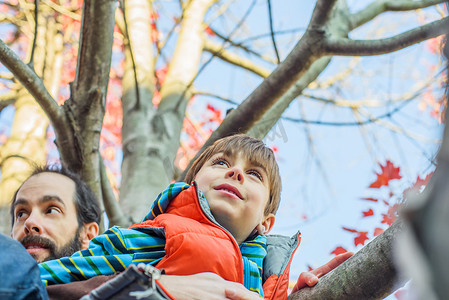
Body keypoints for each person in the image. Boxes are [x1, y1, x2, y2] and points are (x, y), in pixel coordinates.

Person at [38, 135, 351, 299]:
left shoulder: (266, 280)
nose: (236, 171)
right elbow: (46, 278)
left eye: (254, 174)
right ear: (191, 185)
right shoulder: (152, 234)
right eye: (220, 162)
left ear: (265, 223)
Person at [10, 165, 101, 262]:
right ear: (12, 236)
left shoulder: (118, 276)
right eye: (21, 214)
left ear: (88, 235)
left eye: (51, 210)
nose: (30, 222)